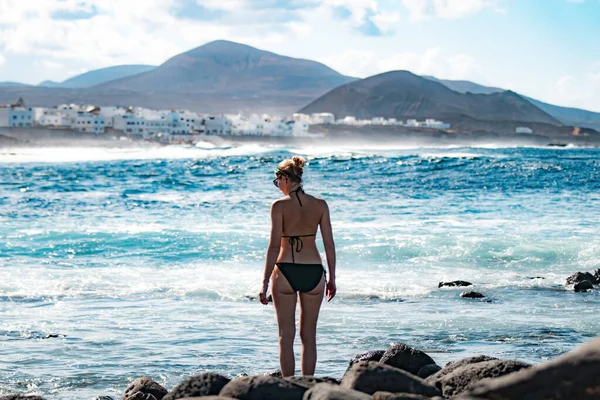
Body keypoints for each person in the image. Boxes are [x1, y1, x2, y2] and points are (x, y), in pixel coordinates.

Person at [259, 155, 336, 377]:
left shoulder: (279, 206)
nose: (278, 187)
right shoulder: (320, 205)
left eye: (277, 182)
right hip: (314, 272)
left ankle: (289, 387)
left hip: (285, 272)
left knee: (285, 335)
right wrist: (332, 279)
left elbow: (274, 246)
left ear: (284, 178)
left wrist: (264, 282)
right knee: (309, 335)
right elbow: (329, 246)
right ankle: (309, 386)